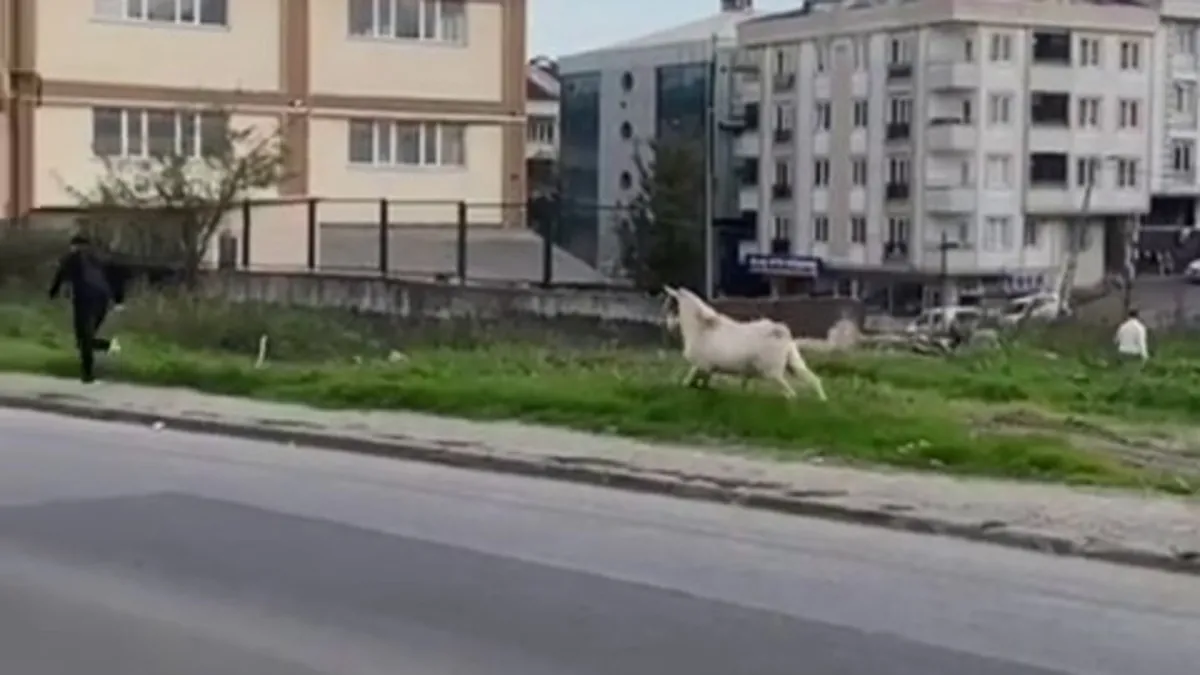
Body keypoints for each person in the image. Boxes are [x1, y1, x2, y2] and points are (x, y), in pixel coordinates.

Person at [48, 234, 123, 383]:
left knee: (84, 340)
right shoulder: (101, 258)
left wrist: (53, 293)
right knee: (86, 338)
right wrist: (118, 300)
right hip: (102, 300)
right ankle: (108, 346)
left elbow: (61, 274)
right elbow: (116, 276)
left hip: (84, 300)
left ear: (75, 246)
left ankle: (88, 373)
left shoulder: (73, 257)